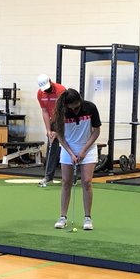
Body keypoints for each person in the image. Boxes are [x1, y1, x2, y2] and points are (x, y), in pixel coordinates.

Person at [52, 89, 101, 231]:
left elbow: (96, 131)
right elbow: (60, 136)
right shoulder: (61, 112)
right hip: (68, 148)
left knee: (86, 181)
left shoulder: (90, 108)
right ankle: (63, 217)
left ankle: (87, 218)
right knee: (66, 182)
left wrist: (84, 150)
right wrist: (71, 153)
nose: (75, 110)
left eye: (77, 107)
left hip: (88, 147)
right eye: (71, 108)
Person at [36, 74, 68, 187]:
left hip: (66, 120)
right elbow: (45, 111)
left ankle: (71, 177)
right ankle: (48, 177)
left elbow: (65, 111)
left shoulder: (61, 90)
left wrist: (58, 131)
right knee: (51, 147)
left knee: (69, 146)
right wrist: (49, 130)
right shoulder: (40, 93)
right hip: (53, 120)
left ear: (50, 81)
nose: (46, 90)